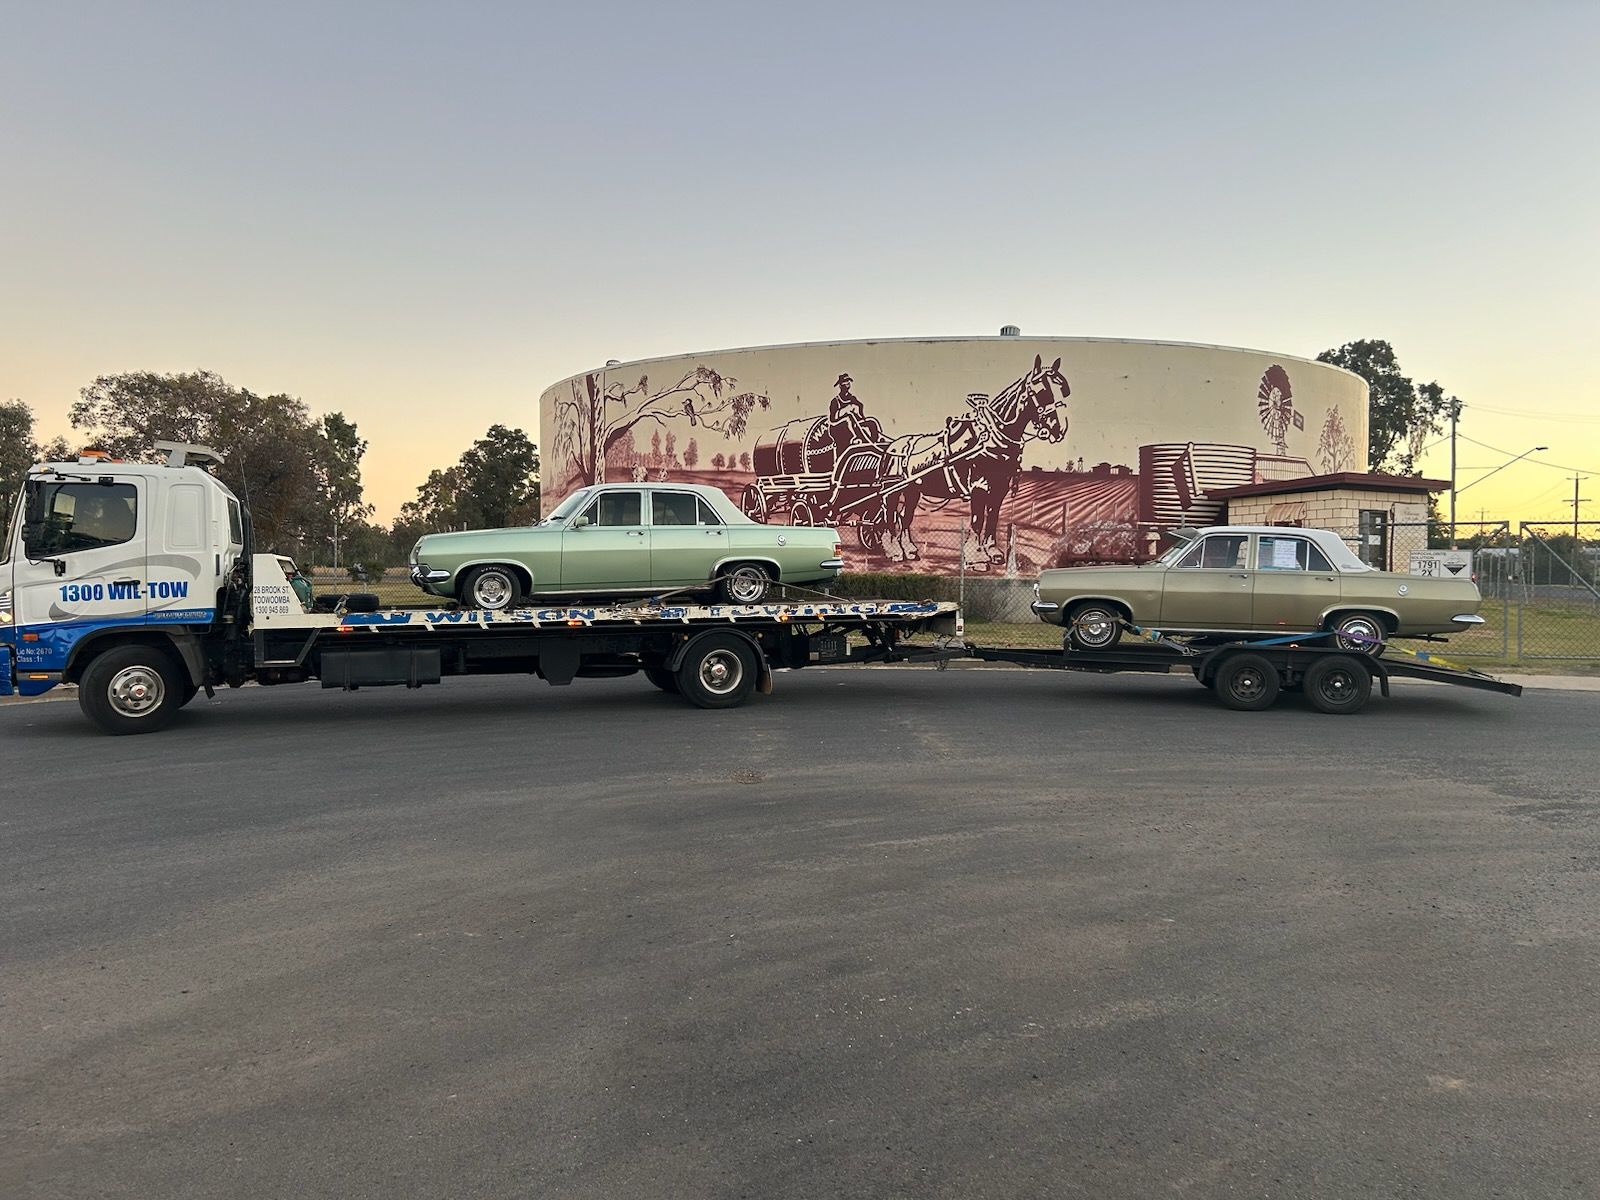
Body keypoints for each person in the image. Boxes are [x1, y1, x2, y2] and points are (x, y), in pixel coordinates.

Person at [827, 373, 884, 455]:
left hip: (854, 423)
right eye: (845, 382)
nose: (847, 384)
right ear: (840, 386)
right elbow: (833, 419)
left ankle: (875, 440)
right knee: (848, 418)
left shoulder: (852, 398)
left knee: (872, 421)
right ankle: (855, 438)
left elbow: (860, 406)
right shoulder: (835, 401)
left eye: (848, 382)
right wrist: (845, 410)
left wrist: (860, 414)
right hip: (839, 427)